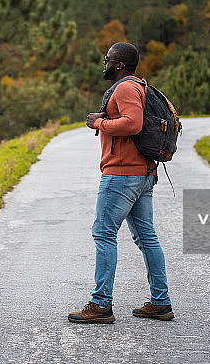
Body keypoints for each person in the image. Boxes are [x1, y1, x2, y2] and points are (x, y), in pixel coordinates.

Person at [68, 42, 173, 324]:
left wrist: (99, 124)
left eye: (108, 60)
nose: (104, 64)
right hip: (143, 174)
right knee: (146, 238)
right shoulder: (139, 86)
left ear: (118, 64)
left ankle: (101, 304)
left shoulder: (126, 88)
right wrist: (107, 119)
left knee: (103, 234)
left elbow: (133, 123)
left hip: (123, 175)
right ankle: (160, 303)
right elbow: (127, 119)